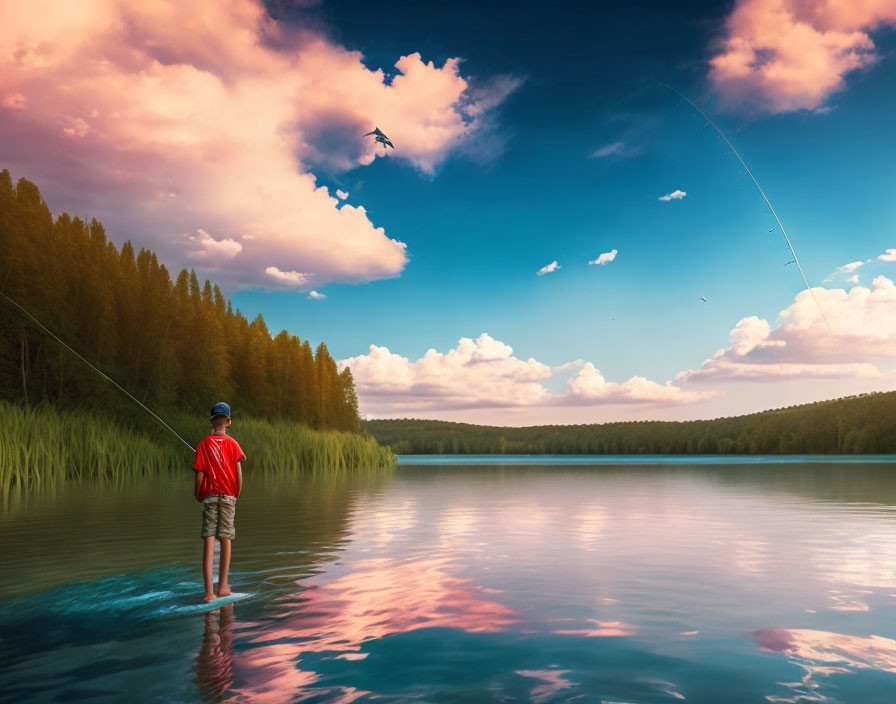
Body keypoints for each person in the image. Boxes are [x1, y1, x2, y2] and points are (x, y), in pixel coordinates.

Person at [193, 402, 245, 602]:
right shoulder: (234, 445)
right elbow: (239, 475)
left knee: (209, 540)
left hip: (209, 498)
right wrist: (235, 495)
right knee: (226, 539)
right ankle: (223, 586)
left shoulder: (204, 444)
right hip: (229, 497)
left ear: (212, 421)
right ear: (228, 422)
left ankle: (208, 593)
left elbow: (199, 476)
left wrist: (199, 495)